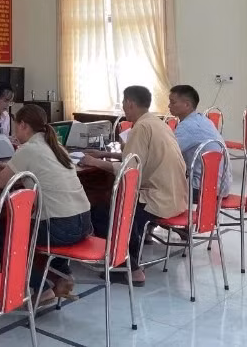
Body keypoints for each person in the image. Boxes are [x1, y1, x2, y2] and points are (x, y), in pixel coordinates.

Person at [80, 86, 188, 286]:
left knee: (103, 211)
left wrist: (94, 163)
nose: (123, 108)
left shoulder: (140, 127)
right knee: (114, 203)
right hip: (175, 195)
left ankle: (130, 267)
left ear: (129, 103)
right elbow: (139, 157)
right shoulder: (158, 123)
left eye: (124, 103)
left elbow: (130, 169)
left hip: (156, 198)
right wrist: (107, 156)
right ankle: (127, 256)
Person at [0, 104, 91, 301]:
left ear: (24, 125)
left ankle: (41, 288)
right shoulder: (56, 146)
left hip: (60, 228)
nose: (15, 132)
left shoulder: (28, 150)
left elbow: (0, 182)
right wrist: (10, 166)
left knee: (4, 233)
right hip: (84, 223)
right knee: (38, 225)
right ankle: (62, 275)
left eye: (16, 126)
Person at [168, 85, 233, 200]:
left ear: (186, 105)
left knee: (153, 193)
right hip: (221, 186)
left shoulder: (187, 126)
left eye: (172, 102)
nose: (169, 106)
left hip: (203, 189)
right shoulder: (204, 120)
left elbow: (167, 154)